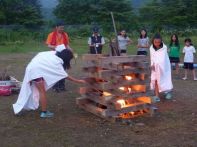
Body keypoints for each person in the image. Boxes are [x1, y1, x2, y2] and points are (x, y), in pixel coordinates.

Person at [13, 49, 85, 118]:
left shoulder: (53, 53)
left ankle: (25, 106)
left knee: (30, 90)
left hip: (32, 67)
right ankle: (44, 113)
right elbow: (65, 75)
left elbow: (41, 54)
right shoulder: (57, 63)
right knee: (42, 92)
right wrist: (78, 81)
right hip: (36, 72)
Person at [46, 21, 72, 92]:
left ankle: (62, 86)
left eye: (63, 28)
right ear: (56, 27)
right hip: (55, 54)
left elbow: (66, 45)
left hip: (63, 55)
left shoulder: (65, 34)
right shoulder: (51, 35)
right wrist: (56, 47)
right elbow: (48, 45)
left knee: (63, 70)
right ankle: (55, 86)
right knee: (55, 70)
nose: (62, 29)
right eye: (61, 28)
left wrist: (70, 50)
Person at [150, 33, 173, 100]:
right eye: (155, 42)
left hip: (164, 67)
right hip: (155, 67)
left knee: (165, 80)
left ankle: (168, 92)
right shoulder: (151, 48)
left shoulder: (164, 47)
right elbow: (152, 57)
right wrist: (152, 64)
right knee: (156, 80)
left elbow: (163, 58)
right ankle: (157, 96)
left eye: (158, 42)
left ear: (161, 41)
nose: (157, 44)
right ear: (153, 41)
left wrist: (159, 65)